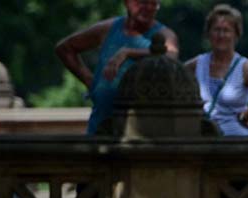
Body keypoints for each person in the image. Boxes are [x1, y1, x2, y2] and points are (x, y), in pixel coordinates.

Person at [55, 0, 179, 135]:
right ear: (127, 2)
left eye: (153, 4)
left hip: (140, 132)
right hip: (100, 126)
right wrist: (90, 81)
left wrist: (128, 52)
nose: (148, 8)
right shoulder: (109, 28)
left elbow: (170, 56)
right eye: (142, 2)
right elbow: (65, 48)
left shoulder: (165, 34)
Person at [184, 4, 248, 136]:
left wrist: (246, 116)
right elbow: (172, 78)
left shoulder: (244, 67)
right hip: (203, 138)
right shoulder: (197, 64)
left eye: (226, 30)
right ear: (208, 33)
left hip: (236, 140)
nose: (221, 35)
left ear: (236, 34)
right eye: (216, 30)